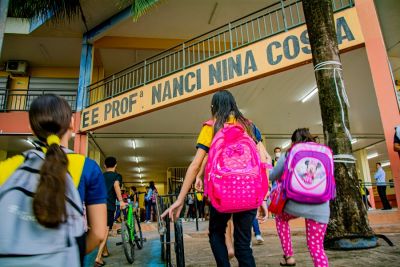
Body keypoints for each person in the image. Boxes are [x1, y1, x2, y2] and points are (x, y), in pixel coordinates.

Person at [162, 90, 270, 267]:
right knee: (243, 245)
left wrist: (180, 199)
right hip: (249, 191)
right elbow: (263, 160)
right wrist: (262, 197)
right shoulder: (249, 126)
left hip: (222, 193)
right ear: (234, 105)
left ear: (214, 107)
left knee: (216, 233)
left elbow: (196, 164)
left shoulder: (210, 126)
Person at [0, 95, 107, 267]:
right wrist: (73, 255)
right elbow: (99, 233)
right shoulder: (88, 167)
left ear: (32, 129)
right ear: (72, 123)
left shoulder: (9, 167)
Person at [270, 128, 330, 267]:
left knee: (280, 218)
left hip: (294, 204)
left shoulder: (290, 153)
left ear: (293, 141)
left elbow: (273, 176)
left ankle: (289, 256)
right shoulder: (324, 151)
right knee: (316, 247)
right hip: (320, 207)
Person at [95, 156, 126, 266]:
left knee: (101, 228)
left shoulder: (100, 176)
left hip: (96, 204)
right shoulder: (117, 176)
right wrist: (121, 201)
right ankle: (98, 257)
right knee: (106, 229)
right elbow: (116, 185)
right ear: (116, 165)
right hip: (108, 205)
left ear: (104, 165)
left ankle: (104, 251)